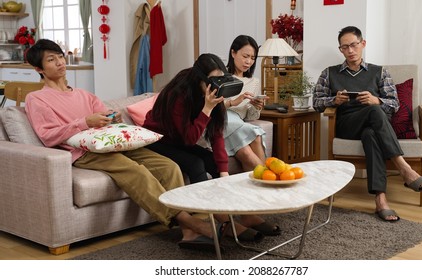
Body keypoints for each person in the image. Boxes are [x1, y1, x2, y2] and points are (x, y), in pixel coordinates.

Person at [24, 39, 219, 252]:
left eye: (61, 56)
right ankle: (191, 223)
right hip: (83, 152)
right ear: (39, 69)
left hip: (113, 142)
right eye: (51, 60)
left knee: (168, 167)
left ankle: (188, 232)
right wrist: (84, 122)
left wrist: (113, 118)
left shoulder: (84, 94)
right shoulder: (37, 99)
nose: (60, 62)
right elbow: (47, 135)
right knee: (136, 172)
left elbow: (107, 117)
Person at [143, 53, 276, 241]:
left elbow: (217, 134)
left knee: (213, 161)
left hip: (179, 139)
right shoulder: (179, 93)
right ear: (200, 78)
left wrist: (223, 174)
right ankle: (224, 221)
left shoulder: (215, 90)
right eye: (212, 81)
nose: (216, 86)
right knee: (196, 163)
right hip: (157, 140)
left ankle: (245, 216)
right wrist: (207, 108)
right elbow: (189, 139)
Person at [313, 26, 422, 222]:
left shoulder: (379, 72)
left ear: (362, 44)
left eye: (354, 45)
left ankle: (381, 199)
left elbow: (394, 104)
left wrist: (377, 100)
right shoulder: (329, 73)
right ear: (340, 49)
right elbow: (316, 103)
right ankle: (404, 168)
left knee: (371, 133)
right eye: (345, 47)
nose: (350, 50)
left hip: (374, 126)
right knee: (374, 113)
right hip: (347, 125)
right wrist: (334, 100)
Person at [224, 35, 280, 235]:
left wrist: (257, 107)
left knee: (254, 132)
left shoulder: (254, 82)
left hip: (239, 123)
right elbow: (212, 106)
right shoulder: (221, 76)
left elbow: (250, 116)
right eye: (245, 56)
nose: (248, 61)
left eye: (252, 58)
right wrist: (235, 101)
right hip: (222, 119)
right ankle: (269, 188)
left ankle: (252, 210)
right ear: (233, 53)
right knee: (251, 141)